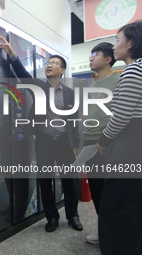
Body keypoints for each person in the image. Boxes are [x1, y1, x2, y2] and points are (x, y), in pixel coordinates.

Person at [0, 36, 83, 232]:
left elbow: (75, 121)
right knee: (45, 181)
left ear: (62, 70)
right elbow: (22, 74)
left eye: (54, 63)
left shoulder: (70, 93)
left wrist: (77, 143)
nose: (49, 66)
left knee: (69, 181)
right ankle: (51, 217)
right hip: (44, 141)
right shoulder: (39, 87)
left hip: (64, 143)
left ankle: (73, 215)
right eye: (48, 63)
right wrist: (12, 54)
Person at [96, 20, 142, 255]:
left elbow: (121, 116)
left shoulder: (134, 70)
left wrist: (103, 141)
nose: (115, 46)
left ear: (131, 42)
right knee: (131, 206)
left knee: (116, 207)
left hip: (128, 145)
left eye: (117, 40)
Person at [83, 42, 120, 245]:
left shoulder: (119, 80)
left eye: (95, 54)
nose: (90, 58)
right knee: (96, 188)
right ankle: (103, 227)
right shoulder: (93, 85)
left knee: (112, 190)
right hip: (90, 141)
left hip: (109, 140)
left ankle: (114, 231)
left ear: (108, 59)